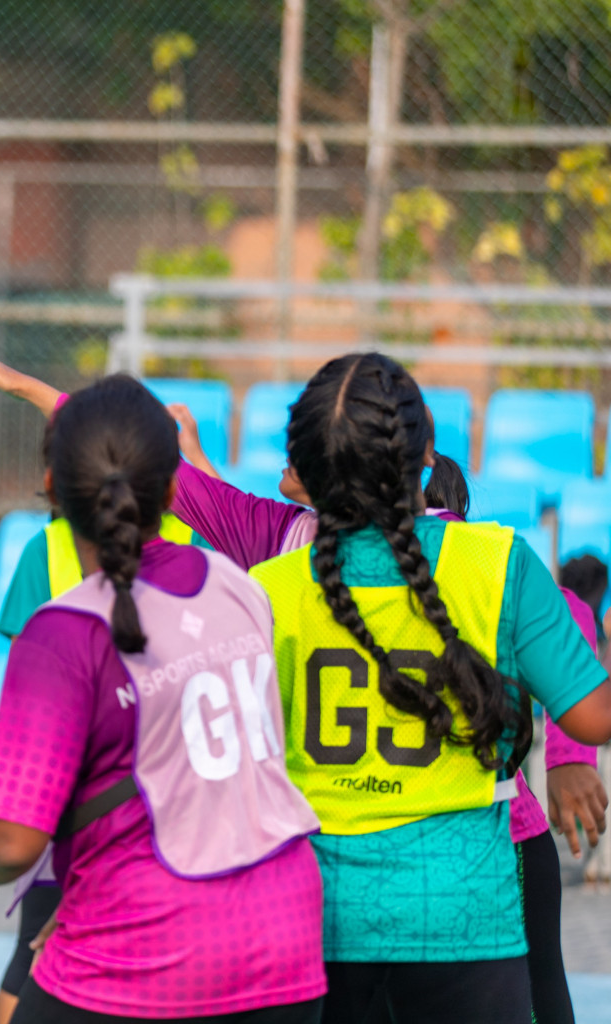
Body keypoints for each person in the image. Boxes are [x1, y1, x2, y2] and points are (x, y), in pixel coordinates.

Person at [246, 352, 611, 1023]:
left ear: (305, 474)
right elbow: (592, 718)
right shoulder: (497, 563)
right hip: (464, 916)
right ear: (427, 456)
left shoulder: (267, 590)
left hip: (314, 919)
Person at [0, 376, 327, 1024]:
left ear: (51, 487)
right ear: (177, 491)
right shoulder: (240, 589)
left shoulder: (65, 630)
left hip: (147, 952)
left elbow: (11, 843)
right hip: (286, 943)